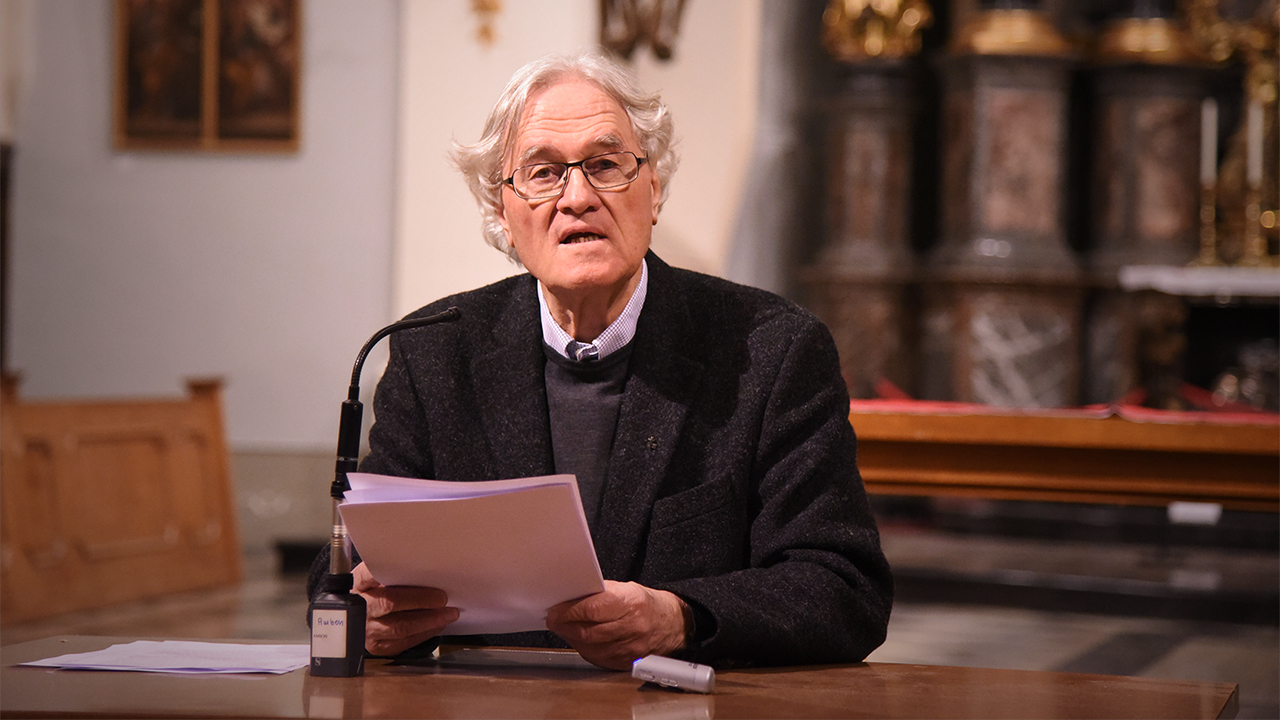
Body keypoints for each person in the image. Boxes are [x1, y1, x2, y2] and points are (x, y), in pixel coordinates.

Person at [308, 50, 893, 671]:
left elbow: (843, 588)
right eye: (543, 173)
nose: (578, 197)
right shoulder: (436, 351)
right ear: (501, 212)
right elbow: (346, 565)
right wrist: (363, 606)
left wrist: (680, 616)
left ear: (654, 188)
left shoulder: (769, 350)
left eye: (606, 165)